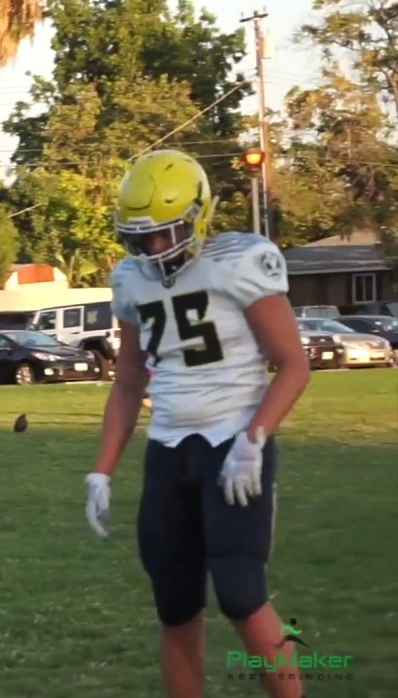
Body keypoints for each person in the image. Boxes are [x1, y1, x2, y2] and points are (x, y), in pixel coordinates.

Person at [84, 149, 311, 698]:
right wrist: (102, 472)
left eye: (168, 232)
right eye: (143, 238)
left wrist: (254, 438)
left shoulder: (239, 261)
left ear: (199, 215)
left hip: (232, 443)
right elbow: (128, 382)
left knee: (240, 592)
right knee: (175, 603)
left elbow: (294, 363)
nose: (156, 248)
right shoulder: (132, 280)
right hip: (168, 447)